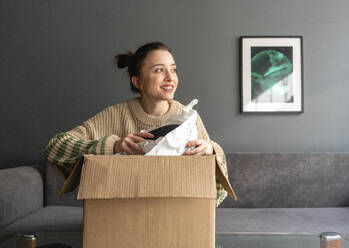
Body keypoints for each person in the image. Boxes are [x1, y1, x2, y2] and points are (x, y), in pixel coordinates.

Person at [44, 41, 229, 207]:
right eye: (159, 70)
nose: (170, 78)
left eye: (173, 69)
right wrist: (113, 145)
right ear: (138, 81)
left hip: (175, 214)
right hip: (123, 214)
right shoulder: (117, 115)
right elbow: (55, 148)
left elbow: (218, 189)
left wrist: (210, 150)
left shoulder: (189, 117)